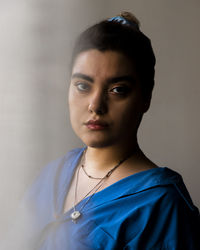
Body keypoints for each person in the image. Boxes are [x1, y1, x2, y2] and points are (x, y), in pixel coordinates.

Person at [8, 11, 200, 250]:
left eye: (118, 89)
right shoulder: (52, 176)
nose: (95, 106)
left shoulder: (160, 205)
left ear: (145, 97)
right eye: (82, 86)